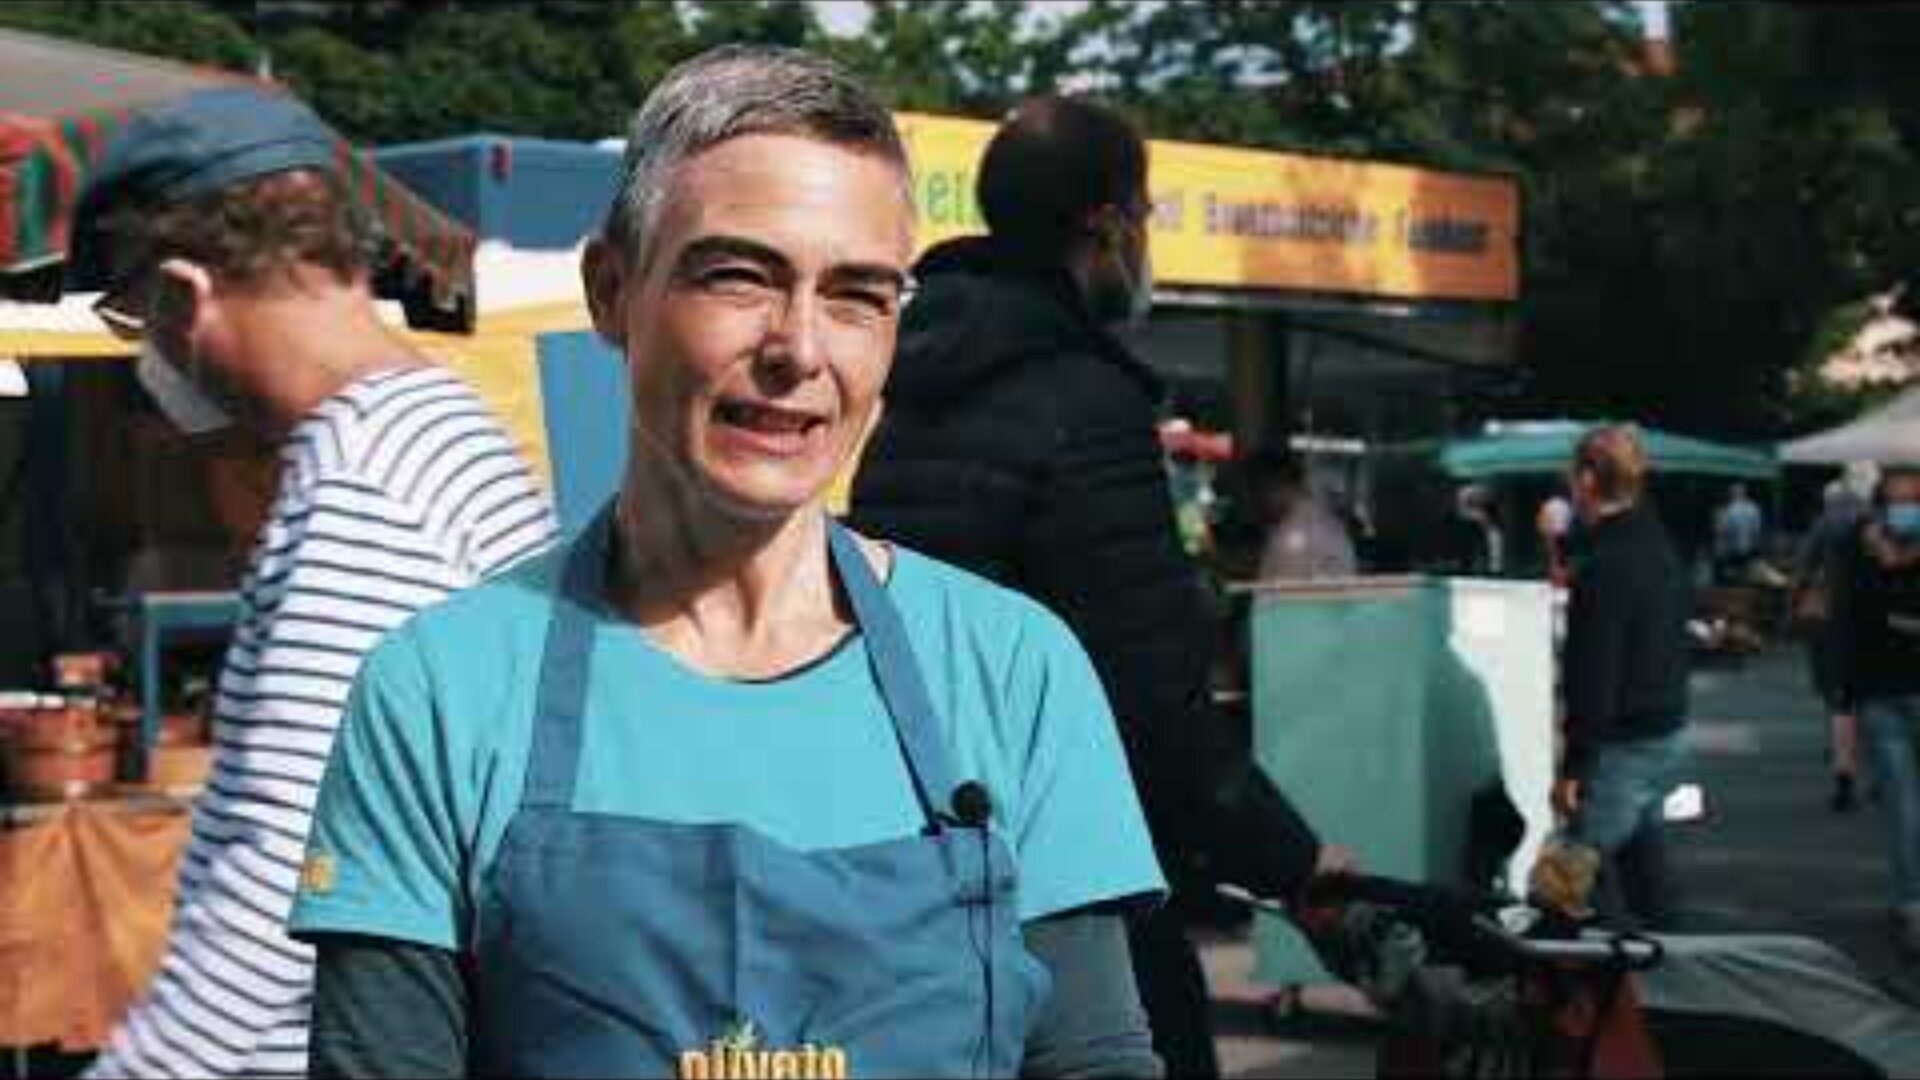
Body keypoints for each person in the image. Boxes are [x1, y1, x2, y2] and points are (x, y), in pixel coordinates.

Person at [289, 48, 1168, 1077]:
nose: (800, 348)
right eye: (741, 276)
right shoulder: (443, 690)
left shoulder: (1014, 671)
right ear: (613, 291)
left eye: (856, 295)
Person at [849, 95, 1345, 1078]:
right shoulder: (1085, 402)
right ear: (1105, 224)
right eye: (1146, 216)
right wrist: (1293, 859)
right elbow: (1148, 694)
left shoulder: (910, 393)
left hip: (910, 887)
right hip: (1065, 898)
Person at [65, 88, 557, 1078]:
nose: (148, 357)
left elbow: (281, 882)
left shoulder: (364, 489)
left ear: (180, 296)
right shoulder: (444, 434)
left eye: (133, 322)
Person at [1552, 425, 1691, 931]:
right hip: (1665, 728)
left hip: (1620, 743)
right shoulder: (1655, 542)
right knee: (1643, 873)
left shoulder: (1606, 566)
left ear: (1588, 479)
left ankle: (1560, 989)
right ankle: (1673, 977)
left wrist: (1573, 765)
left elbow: (1595, 675)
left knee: (1558, 886)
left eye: (1572, 474)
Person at [1830, 466, 1920, 954]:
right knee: (1904, 802)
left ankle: (1912, 902)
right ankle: (1912, 902)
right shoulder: (1861, 549)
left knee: (1903, 803)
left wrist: (1843, 689)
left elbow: (1849, 622)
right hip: (1884, 690)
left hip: (1878, 689)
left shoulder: (1858, 548)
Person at [1792, 472, 1873, 812]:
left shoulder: (1825, 524)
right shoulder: (1876, 522)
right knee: (1877, 698)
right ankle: (1883, 775)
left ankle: (1844, 775)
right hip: (1877, 622)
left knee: (1839, 697)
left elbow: (1804, 568)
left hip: (1832, 617)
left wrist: (1796, 603)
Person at [1253, 446, 1359, 581]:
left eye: (1261, 490)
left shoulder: (1296, 533)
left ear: (1278, 485)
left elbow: (1284, 590)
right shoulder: (1326, 523)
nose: (1262, 499)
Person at [1713, 481, 1765, 583]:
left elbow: (1723, 531)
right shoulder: (1753, 508)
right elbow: (1757, 530)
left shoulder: (1728, 509)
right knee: (1746, 574)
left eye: (1733, 492)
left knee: (1731, 573)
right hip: (1749, 548)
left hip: (1733, 549)